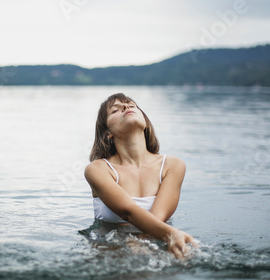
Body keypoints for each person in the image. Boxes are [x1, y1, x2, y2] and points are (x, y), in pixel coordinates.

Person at [84, 93, 197, 258]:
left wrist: (140, 243)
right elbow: (128, 211)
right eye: (115, 110)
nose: (126, 107)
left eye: (131, 105)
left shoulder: (172, 166)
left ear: (145, 123)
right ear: (108, 133)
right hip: (111, 253)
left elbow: (157, 218)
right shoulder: (98, 169)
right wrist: (170, 235)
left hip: (159, 250)